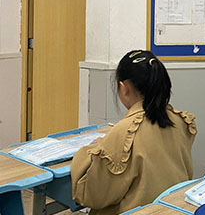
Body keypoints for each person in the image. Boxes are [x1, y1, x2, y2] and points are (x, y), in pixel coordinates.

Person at [71, 50, 196, 215]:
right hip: (172, 209)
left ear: (124, 88)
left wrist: (90, 151)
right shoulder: (180, 121)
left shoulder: (122, 133)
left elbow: (91, 196)